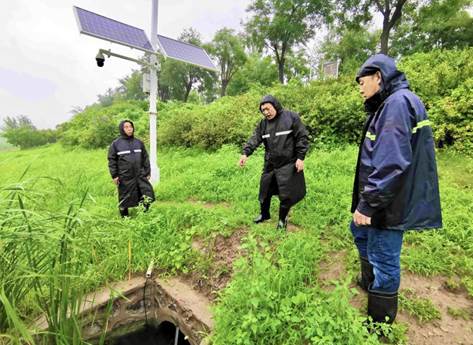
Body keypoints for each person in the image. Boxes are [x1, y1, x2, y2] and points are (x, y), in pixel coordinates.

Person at [351, 54, 442, 326]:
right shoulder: (393, 103)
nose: (360, 87)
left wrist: (368, 204)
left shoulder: (396, 104)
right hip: (386, 196)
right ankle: (369, 282)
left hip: (389, 202)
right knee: (359, 232)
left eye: (362, 81)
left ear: (378, 76)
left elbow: (391, 163)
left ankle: (380, 322)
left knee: (384, 256)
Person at [239, 95, 309, 230]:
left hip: (288, 163)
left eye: (267, 108)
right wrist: (245, 153)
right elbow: (255, 138)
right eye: (262, 110)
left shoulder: (291, 117)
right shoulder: (263, 124)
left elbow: (302, 137)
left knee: (286, 194)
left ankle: (282, 221)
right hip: (270, 163)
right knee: (264, 190)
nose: (266, 112)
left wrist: (300, 157)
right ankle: (264, 214)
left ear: (275, 105)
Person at [108, 120, 155, 217]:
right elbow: (112, 160)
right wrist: (115, 175)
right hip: (125, 176)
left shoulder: (138, 142)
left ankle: (144, 213)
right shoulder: (116, 144)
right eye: (126, 127)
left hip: (140, 175)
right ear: (122, 129)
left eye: (130, 126)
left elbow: (145, 157)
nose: (129, 129)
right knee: (125, 198)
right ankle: (125, 218)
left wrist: (147, 171)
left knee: (147, 194)